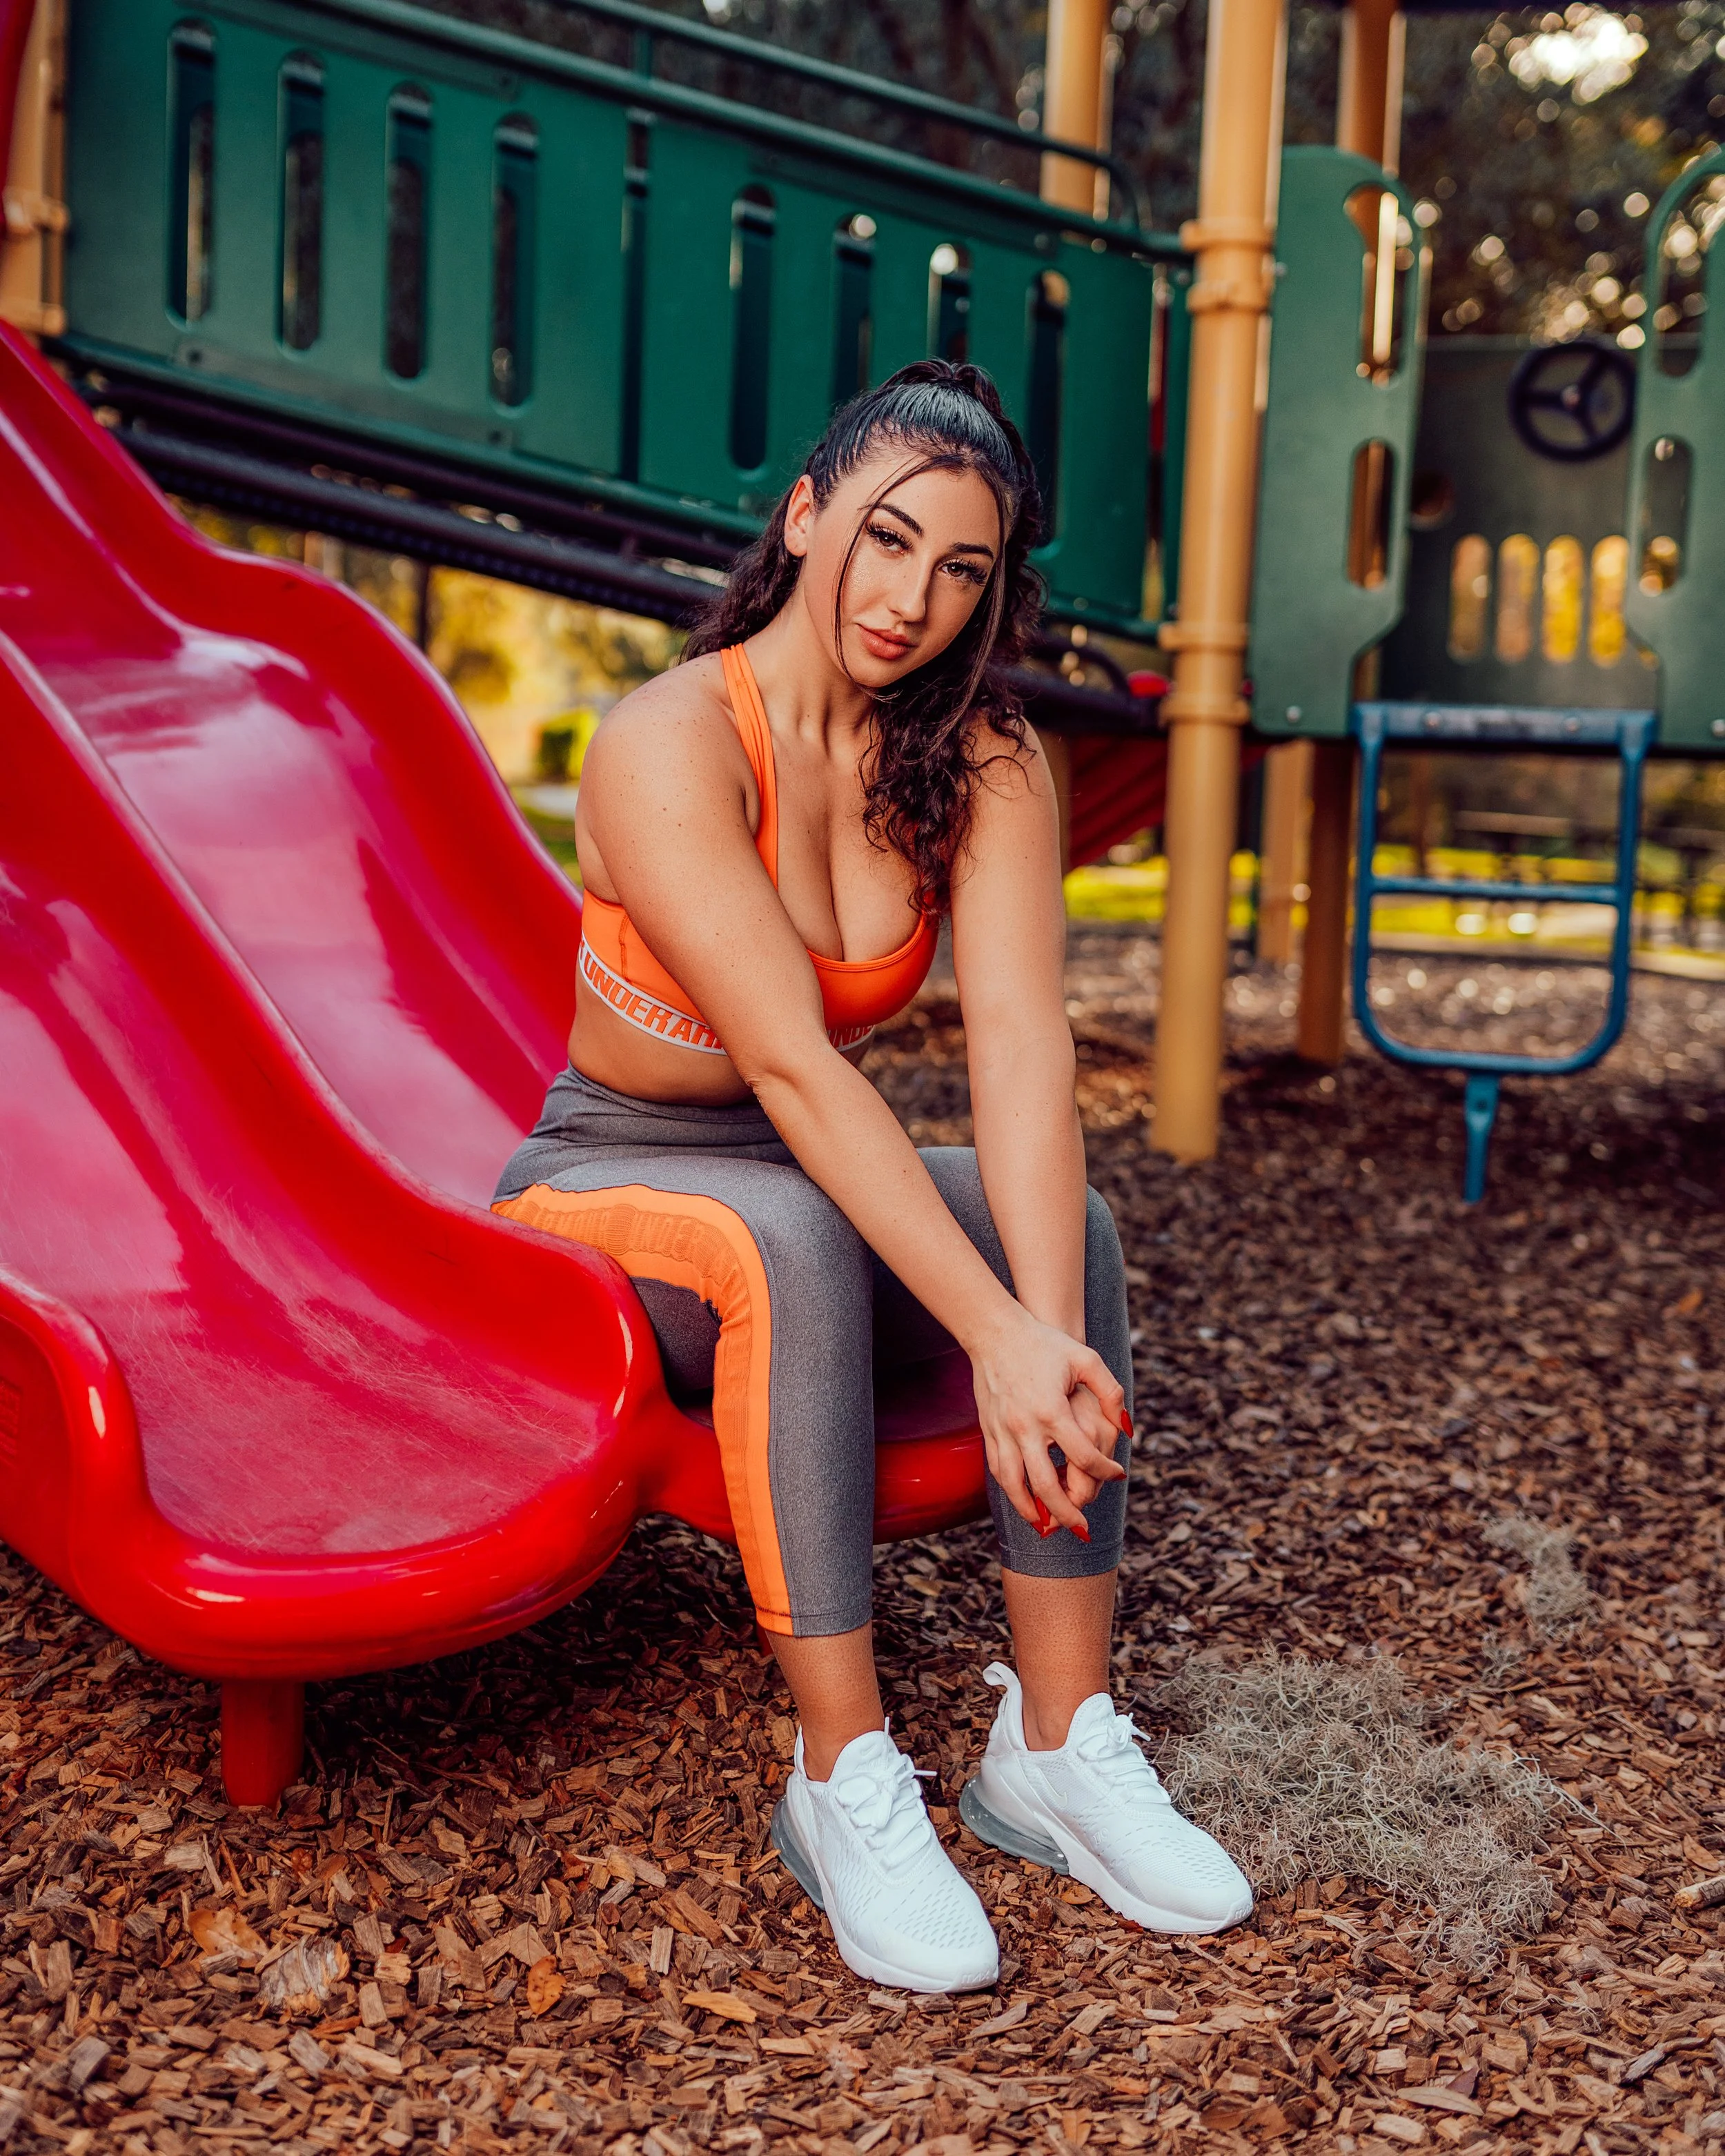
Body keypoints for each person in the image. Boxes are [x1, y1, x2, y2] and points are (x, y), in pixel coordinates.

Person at [494, 360, 1252, 1992]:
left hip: (803, 1167)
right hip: (609, 1182)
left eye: (960, 570)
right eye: (887, 539)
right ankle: (841, 1773)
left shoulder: (975, 760)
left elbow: (1024, 1059)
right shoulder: (668, 738)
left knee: (1075, 1235)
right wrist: (982, 1335)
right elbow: (788, 1066)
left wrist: (1040, 1332)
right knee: (790, 1241)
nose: (911, 598)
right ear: (803, 514)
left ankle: (1053, 1738)